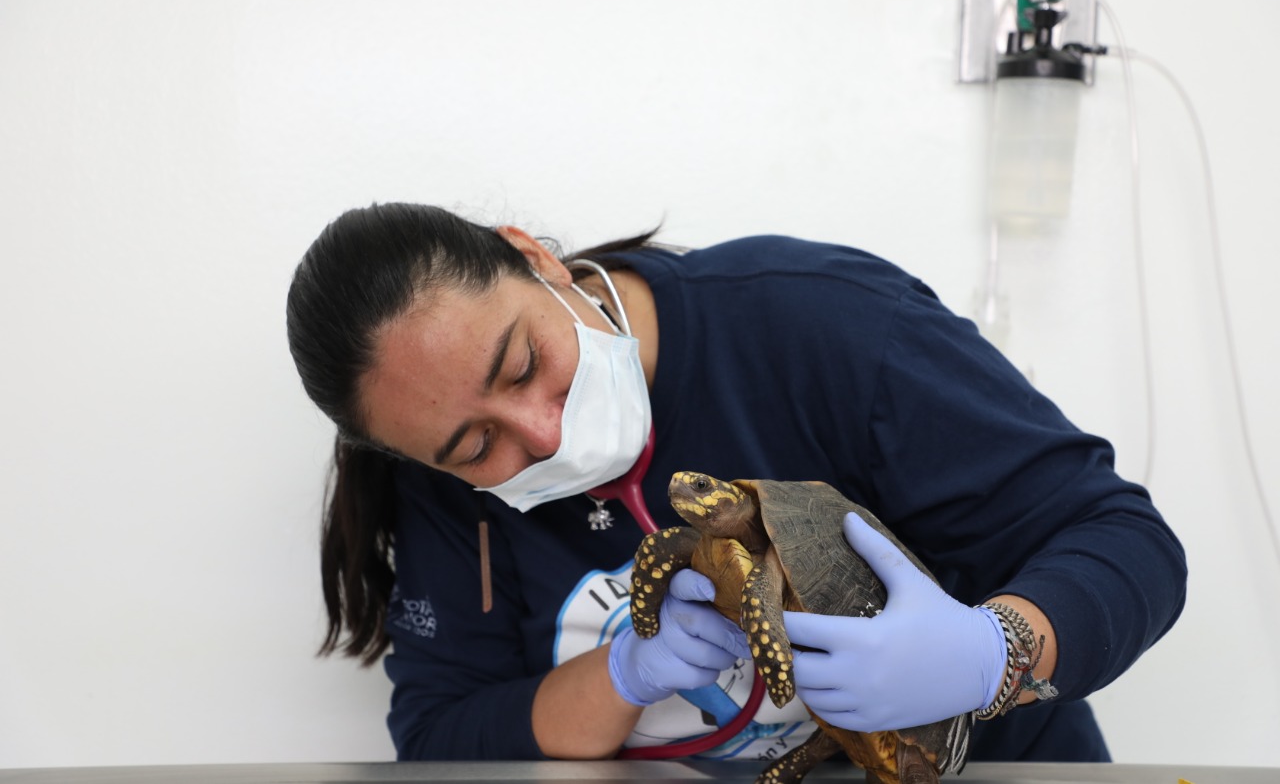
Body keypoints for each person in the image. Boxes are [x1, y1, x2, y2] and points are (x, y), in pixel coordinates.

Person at [285, 201, 1186, 764]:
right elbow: (441, 740)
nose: (542, 433)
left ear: (533, 257)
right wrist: (624, 674)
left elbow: (1127, 543)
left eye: (524, 363)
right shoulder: (449, 495)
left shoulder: (820, 323)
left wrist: (992, 653)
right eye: (474, 445)